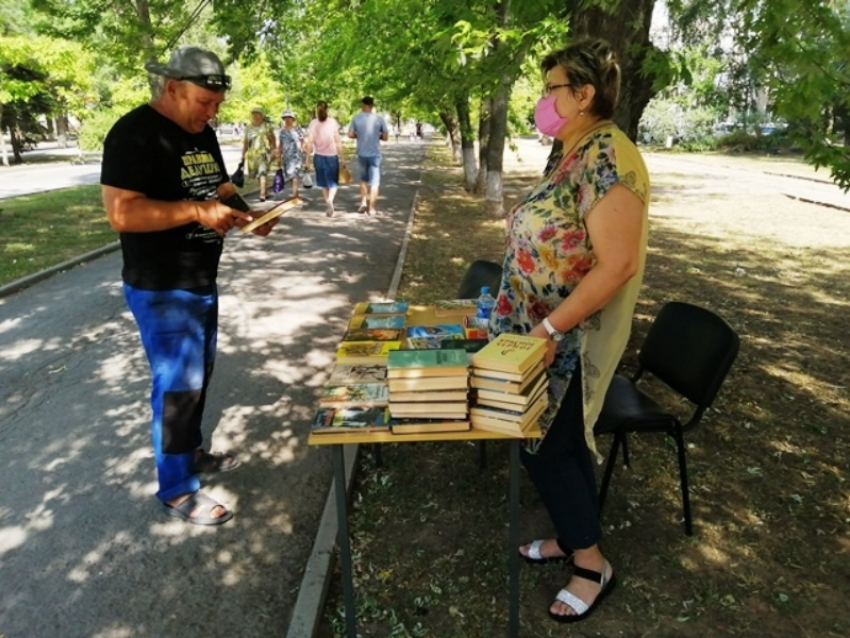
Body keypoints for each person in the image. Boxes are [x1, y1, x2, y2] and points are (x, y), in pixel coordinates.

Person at [490, 38, 650, 623]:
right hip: (535, 331)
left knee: (552, 450)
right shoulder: (572, 149)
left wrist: (551, 327)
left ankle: (591, 564)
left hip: (564, 339)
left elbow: (618, 263)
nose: (542, 99)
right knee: (541, 444)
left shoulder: (609, 154)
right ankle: (570, 533)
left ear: (583, 95)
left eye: (552, 87)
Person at [100, 46, 279, 526]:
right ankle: (176, 488)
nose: (211, 112)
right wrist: (195, 211)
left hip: (201, 279)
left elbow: (220, 187)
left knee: (198, 376)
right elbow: (121, 213)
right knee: (178, 386)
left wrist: (248, 217)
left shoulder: (204, 134)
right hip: (162, 286)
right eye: (204, 102)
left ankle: (191, 452)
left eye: (217, 104)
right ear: (173, 87)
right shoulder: (133, 134)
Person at [347, 95, 388, 216]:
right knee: (375, 182)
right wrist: (377, 135)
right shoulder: (379, 119)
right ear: (372, 106)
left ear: (363, 105)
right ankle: (372, 209)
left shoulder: (356, 118)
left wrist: (358, 135)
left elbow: (350, 134)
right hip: (375, 154)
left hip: (361, 153)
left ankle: (363, 203)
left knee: (363, 180)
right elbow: (385, 137)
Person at [305, 100, 346, 217]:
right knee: (333, 182)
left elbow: (310, 142)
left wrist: (307, 159)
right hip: (332, 157)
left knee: (323, 183)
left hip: (318, 157)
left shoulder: (313, 123)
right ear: (327, 110)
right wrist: (342, 159)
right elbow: (338, 141)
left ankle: (327, 202)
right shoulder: (333, 122)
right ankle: (330, 200)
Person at [242, 106, 276, 201]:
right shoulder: (248, 127)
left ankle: (262, 195)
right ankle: (266, 192)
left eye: (257, 113)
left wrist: (274, 150)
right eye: (254, 114)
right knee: (258, 175)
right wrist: (243, 155)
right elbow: (245, 142)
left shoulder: (266, 126)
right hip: (252, 155)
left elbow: (272, 140)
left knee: (262, 173)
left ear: (262, 115)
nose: (256, 116)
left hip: (264, 153)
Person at [276, 108, 307, 199]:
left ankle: (294, 195)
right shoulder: (282, 131)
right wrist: (279, 156)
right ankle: (295, 193)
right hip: (286, 157)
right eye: (285, 117)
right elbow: (280, 145)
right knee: (290, 175)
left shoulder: (298, 129)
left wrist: (305, 152)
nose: (287, 119)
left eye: (289, 117)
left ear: (293, 119)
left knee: (295, 175)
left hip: (296, 156)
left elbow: (302, 141)